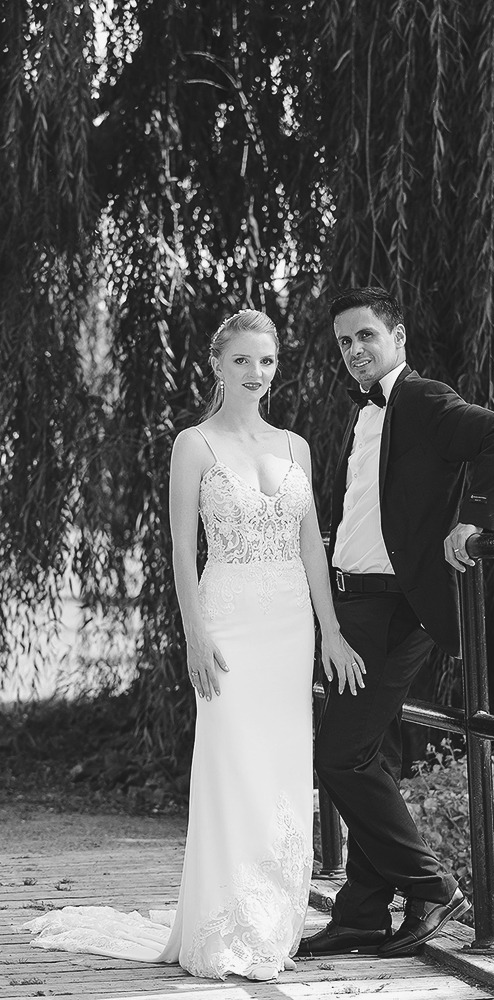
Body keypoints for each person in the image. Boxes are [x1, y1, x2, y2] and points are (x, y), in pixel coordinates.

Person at [24, 309, 364, 982]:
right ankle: (225, 926)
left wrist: (330, 630)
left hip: (290, 626)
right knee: (231, 765)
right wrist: (195, 635)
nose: (255, 373)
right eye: (241, 360)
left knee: (282, 770)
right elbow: (182, 547)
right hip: (229, 616)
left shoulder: (296, 446)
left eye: (265, 361)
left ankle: (272, 922)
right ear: (215, 365)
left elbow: (310, 547)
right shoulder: (194, 445)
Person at [298, 287, 494, 960]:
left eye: (365, 335)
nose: (354, 351)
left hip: (396, 609)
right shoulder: (368, 413)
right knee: (371, 757)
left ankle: (430, 888)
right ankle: (363, 911)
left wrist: (475, 518)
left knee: (339, 757)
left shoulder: (420, 398)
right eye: (343, 342)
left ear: (397, 337)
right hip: (357, 603)